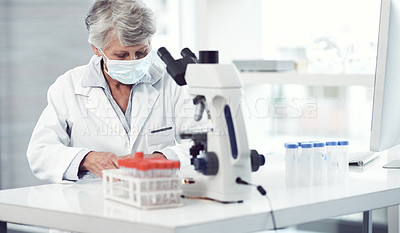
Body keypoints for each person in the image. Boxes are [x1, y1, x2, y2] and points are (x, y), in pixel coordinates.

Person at [27, 0, 195, 183]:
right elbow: (40, 152)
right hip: (90, 201)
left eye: (141, 52)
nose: (133, 61)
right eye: (121, 55)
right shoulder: (68, 86)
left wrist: (162, 158)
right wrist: (86, 159)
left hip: (153, 196)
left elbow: (206, 144)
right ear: (97, 49)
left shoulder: (171, 83)